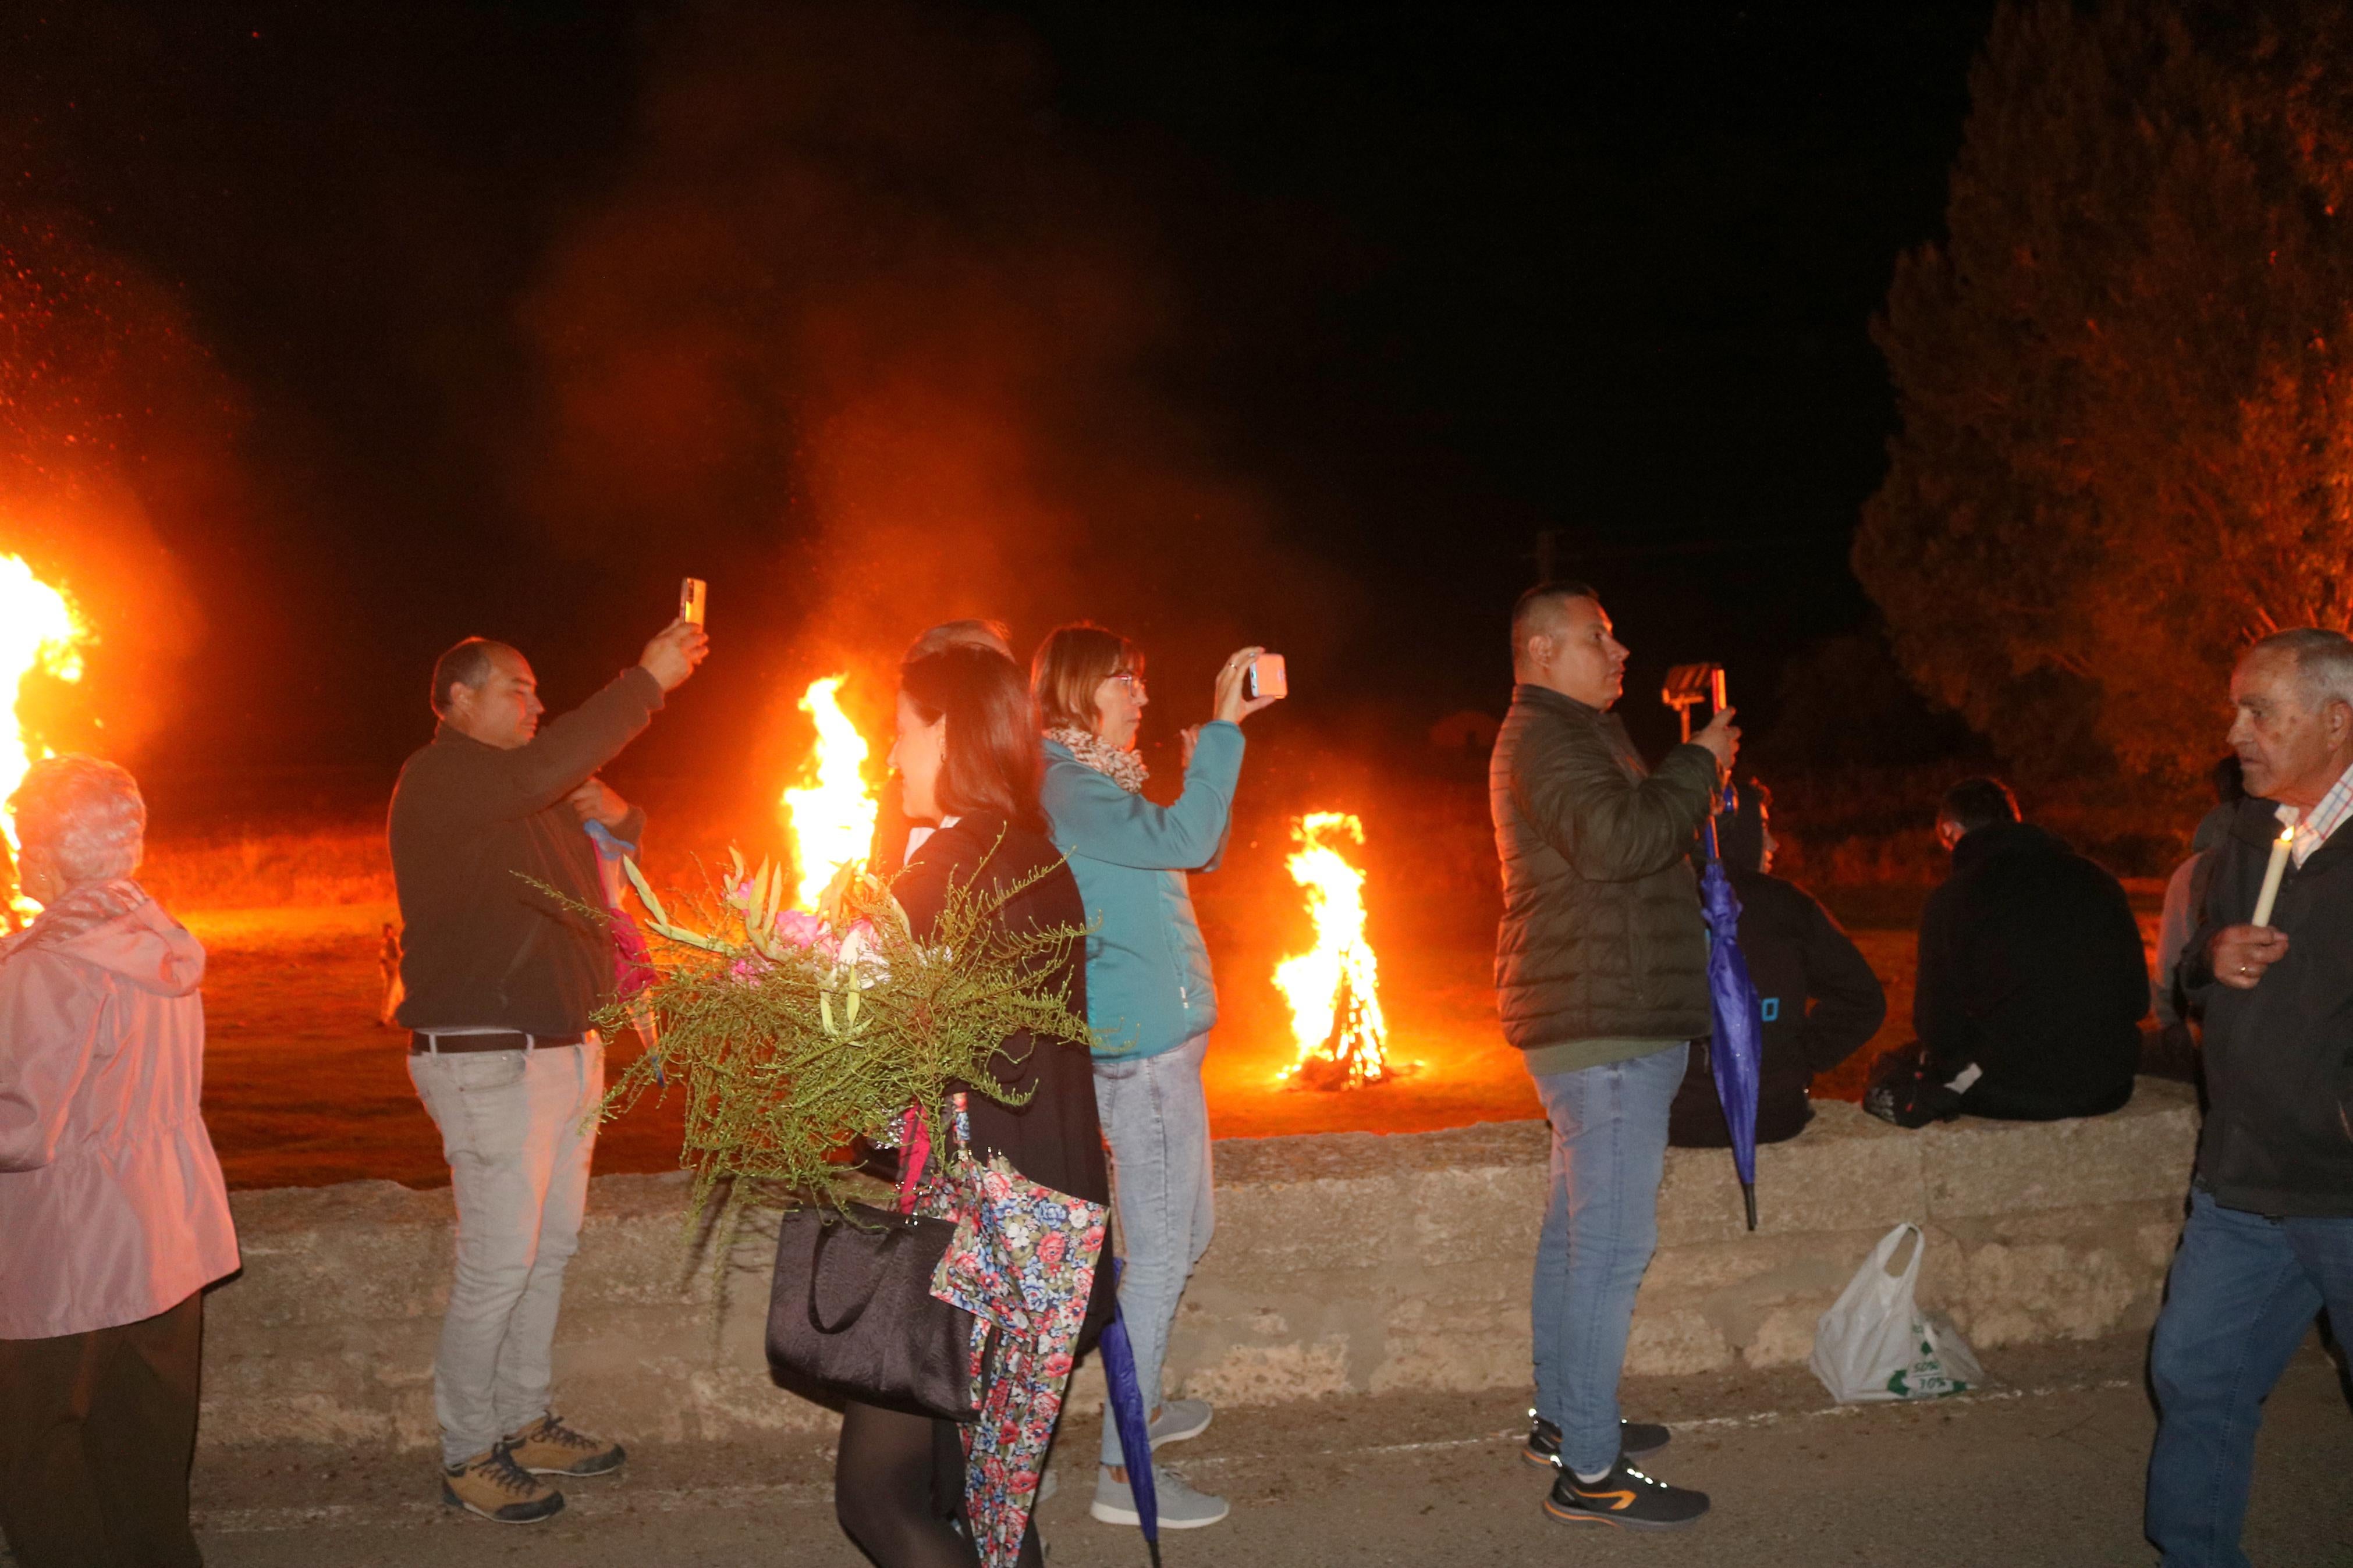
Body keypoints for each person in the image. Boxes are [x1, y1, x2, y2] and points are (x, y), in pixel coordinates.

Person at [388, 615, 707, 1523]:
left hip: (566, 1050)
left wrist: (622, 817)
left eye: (537, 689)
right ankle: (466, 1450)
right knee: (497, 1261)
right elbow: (538, 770)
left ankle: (522, 1417)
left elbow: (590, 883)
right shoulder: (443, 776)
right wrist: (643, 680)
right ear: (457, 702)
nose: (536, 701)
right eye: (515, 688)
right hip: (486, 1056)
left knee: (548, 1250)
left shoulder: (526, 792)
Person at [833, 644, 1113, 1568]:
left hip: (977, 1235)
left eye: (899, 732)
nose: (888, 757)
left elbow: (865, 1078)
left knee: (881, 1498)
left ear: (943, 730)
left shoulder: (939, 876)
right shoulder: (1036, 857)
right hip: (1049, 1225)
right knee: (990, 1509)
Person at [1490, 581, 1734, 1530]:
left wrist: (1685, 774)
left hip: (1599, 1019)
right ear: (1543, 650)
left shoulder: (1572, 731)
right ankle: (1590, 1473)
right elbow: (1617, 841)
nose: (1618, 647)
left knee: (1572, 1236)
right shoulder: (1548, 736)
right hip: (1606, 1030)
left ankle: (1564, 1422)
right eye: (1598, 635)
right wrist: (1695, 765)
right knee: (1610, 1249)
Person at [1031, 625, 1280, 1533]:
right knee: (1163, 1250)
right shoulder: (1065, 780)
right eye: (1124, 681)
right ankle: (1119, 1467)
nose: (1140, 694)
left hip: (1158, 1051)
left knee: (1183, 1230)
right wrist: (1223, 729)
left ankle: (1143, 1392)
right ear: (1077, 689)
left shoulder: (1095, 779)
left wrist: (1195, 768)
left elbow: (1188, 846)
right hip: (1137, 1061)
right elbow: (1195, 834)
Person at [0, 757, 240, 1568]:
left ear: (55, 853)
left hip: (68, 1255)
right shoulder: (156, 936)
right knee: (143, 1454)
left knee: (35, 1450)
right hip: (166, 1234)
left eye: (27, 839)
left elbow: (21, 1129)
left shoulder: (48, 963)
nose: (20, 857)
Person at [2147, 628, 2353, 1568]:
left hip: (2342, 1190)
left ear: (2334, 721)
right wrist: (2207, 959)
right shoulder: (2245, 830)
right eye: (2235, 709)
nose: (2233, 731)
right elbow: (2196, 967)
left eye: (2257, 711)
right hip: (2238, 1181)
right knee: (2193, 1376)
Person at [1901, 776, 2148, 1122]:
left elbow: (1935, 1025)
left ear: (1950, 831)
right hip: (2107, 1083)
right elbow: (2137, 998)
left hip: (2011, 1089)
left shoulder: (1952, 899)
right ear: (2016, 821)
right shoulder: (2096, 879)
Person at [1667, 778, 1886, 1147]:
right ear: (1735, 829)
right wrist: (1798, 1060)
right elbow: (1863, 999)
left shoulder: (1652, 904)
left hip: (1678, 1120)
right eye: (1764, 827)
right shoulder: (1787, 905)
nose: (1774, 844)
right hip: (1773, 1115)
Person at [869, 619, 1016, 877]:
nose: (1006, 686)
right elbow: (884, 894)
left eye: (1004, 670)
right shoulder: (904, 801)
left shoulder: (1046, 791)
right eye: (982, 667)